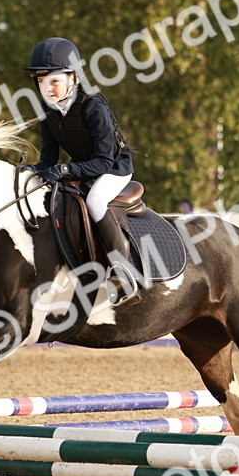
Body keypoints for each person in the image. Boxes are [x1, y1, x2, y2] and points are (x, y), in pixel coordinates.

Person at [25, 37, 139, 304]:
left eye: (54, 81)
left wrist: (65, 169)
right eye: (41, 81)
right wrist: (31, 173)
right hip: (82, 168)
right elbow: (48, 158)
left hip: (113, 168)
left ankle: (122, 273)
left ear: (73, 78)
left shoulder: (93, 106)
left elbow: (103, 161)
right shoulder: (47, 109)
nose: (47, 88)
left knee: (95, 201)